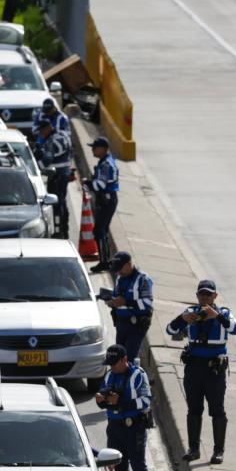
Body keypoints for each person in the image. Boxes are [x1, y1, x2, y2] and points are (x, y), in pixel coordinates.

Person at [165, 280, 236, 464]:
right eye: (202, 294)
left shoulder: (223, 313)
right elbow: (170, 329)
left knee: (217, 410)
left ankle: (218, 451)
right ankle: (194, 449)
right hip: (194, 369)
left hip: (214, 370)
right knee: (194, 409)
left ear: (215, 296)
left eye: (208, 294)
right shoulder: (190, 313)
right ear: (197, 296)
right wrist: (182, 319)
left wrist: (216, 317)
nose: (205, 297)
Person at [95, 344, 155, 471]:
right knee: (118, 467)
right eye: (110, 364)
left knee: (139, 467)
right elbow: (106, 399)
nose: (112, 367)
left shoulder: (138, 375)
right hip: (114, 427)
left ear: (124, 360)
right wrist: (101, 400)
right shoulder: (110, 375)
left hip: (133, 427)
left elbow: (146, 400)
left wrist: (121, 401)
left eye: (115, 363)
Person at [104, 251, 153, 364]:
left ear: (128, 264)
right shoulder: (120, 277)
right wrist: (111, 300)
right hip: (121, 324)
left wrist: (126, 302)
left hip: (136, 325)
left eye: (120, 268)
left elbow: (147, 303)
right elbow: (117, 296)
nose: (119, 272)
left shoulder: (143, 279)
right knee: (118, 358)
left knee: (128, 360)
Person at [34, 117, 72, 239]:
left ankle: (58, 232)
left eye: (41, 131)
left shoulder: (52, 141)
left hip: (56, 176)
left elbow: (44, 163)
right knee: (62, 203)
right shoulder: (62, 134)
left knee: (56, 204)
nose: (40, 134)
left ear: (47, 128)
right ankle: (64, 230)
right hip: (64, 173)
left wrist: (37, 157)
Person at [85, 137, 119, 272]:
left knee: (100, 231)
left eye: (95, 147)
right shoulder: (104, 162)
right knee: (101, 230)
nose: (93, 150)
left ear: (103, 149)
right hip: (106, 199)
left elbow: (100, 185)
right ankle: (105, 261)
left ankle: (104, 262)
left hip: (107, 200)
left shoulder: (106, 165)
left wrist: (88, 184)